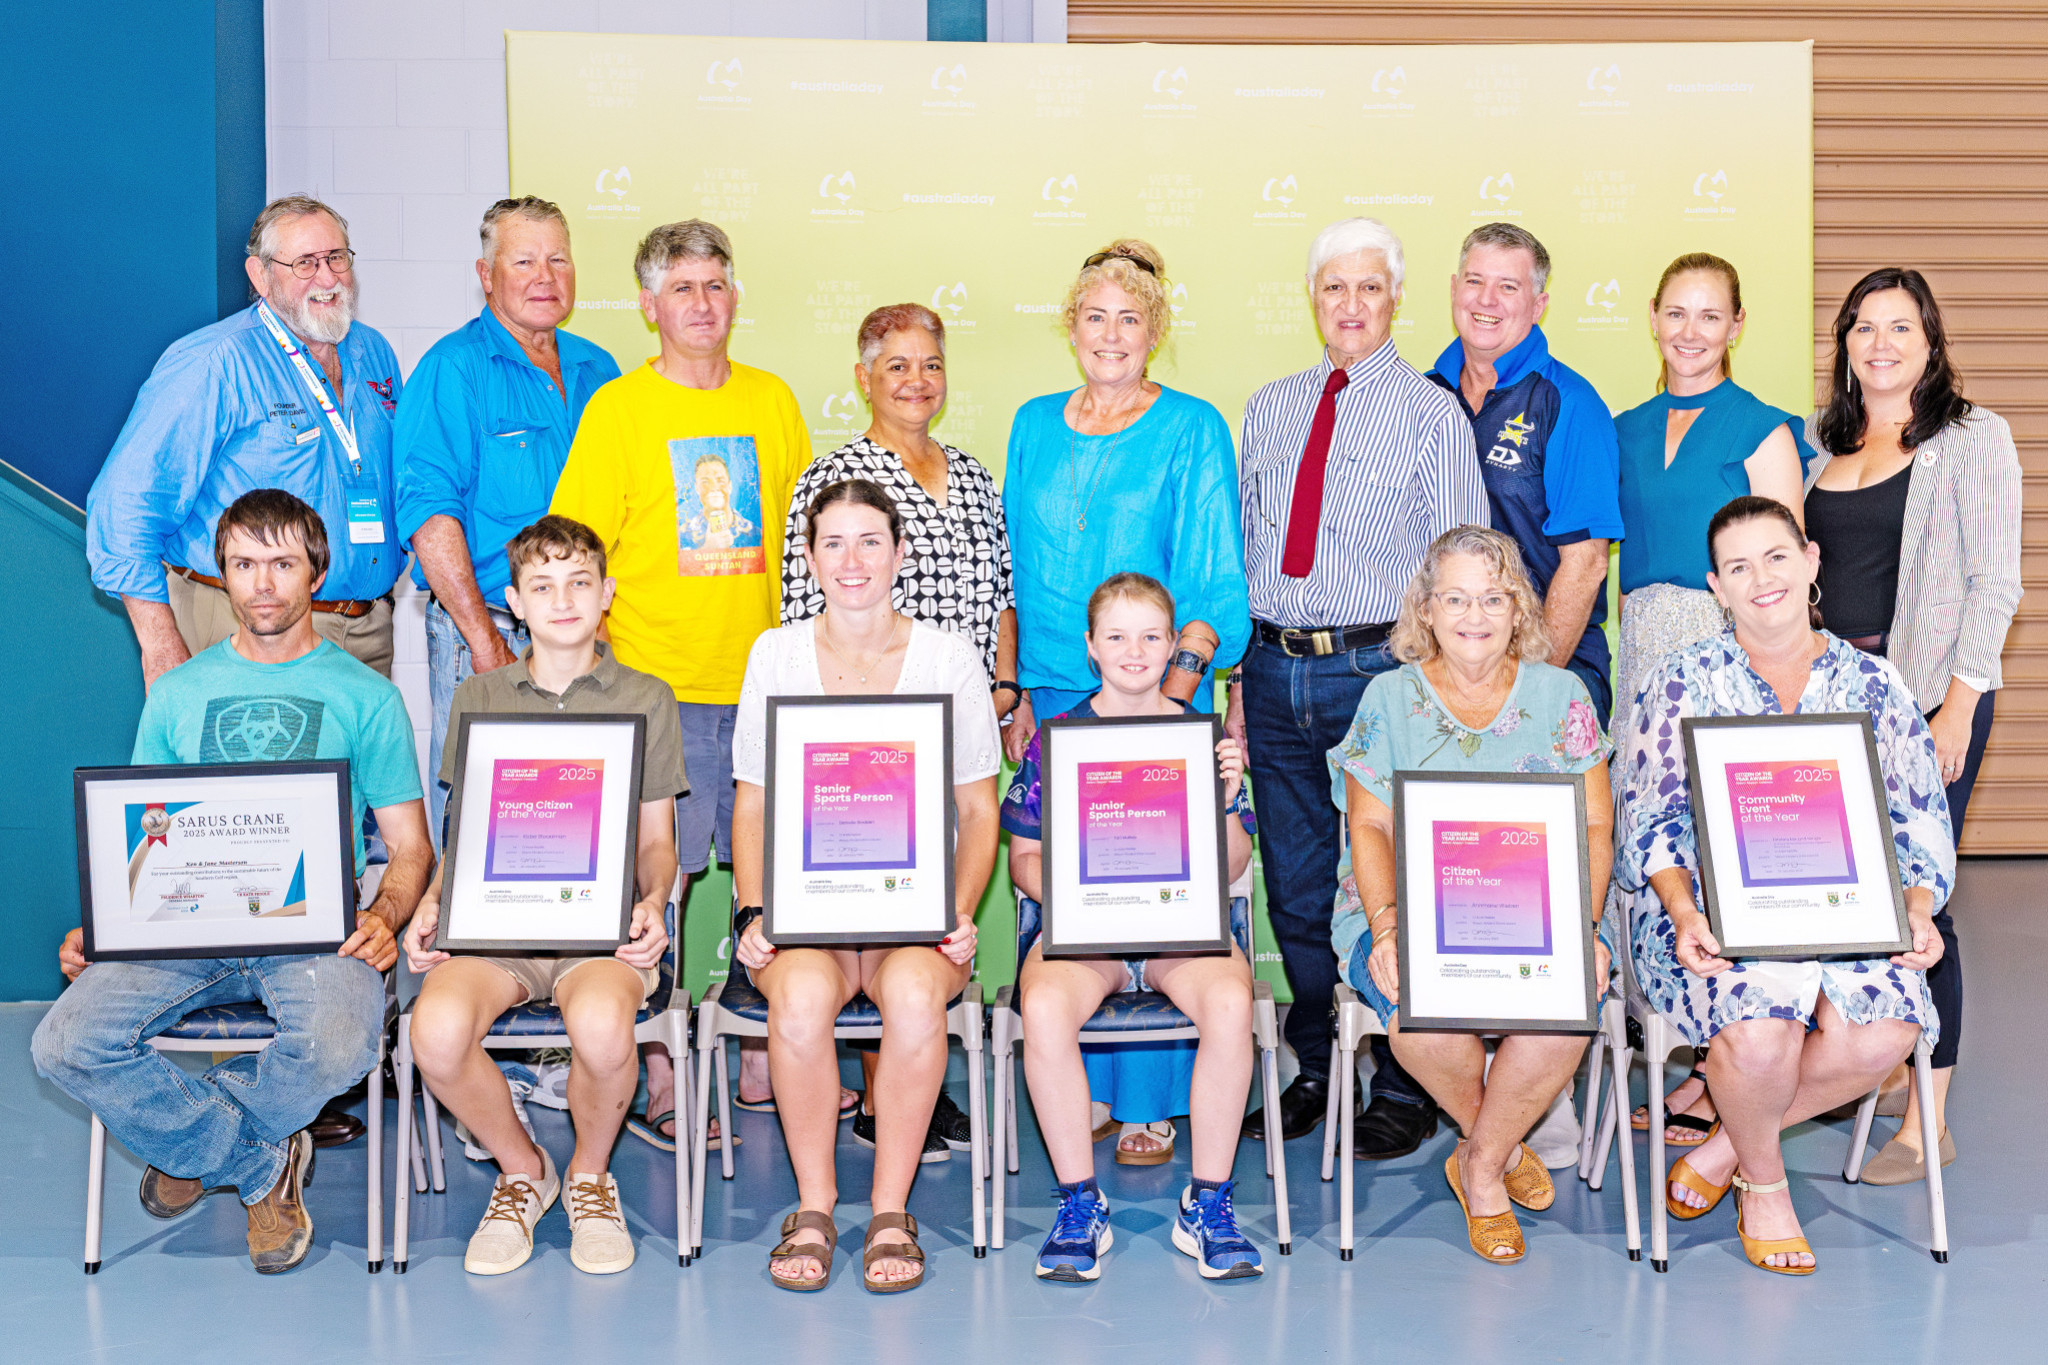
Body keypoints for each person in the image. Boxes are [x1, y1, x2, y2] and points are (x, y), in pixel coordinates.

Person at [32, 490, 432, 1274]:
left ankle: (201, 1148)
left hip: (317, 928)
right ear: (222, 575)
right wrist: (103, 921)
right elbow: (141, 833)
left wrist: (386, 910)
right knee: (66, 1042)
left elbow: (411, 845)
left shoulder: (368, 697)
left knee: (344, 1040)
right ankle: (257, 1162)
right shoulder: (178, 694)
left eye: (282, 563)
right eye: (244, 565)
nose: (263, 585)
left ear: (315, 571)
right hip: (184, 923)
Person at [1619, 495, 1950, 1275]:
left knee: (1887, 1027)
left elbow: (1917, 814)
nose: (1760, 578)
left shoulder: (1874, 682)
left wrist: (1915, 907)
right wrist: (1682, 909)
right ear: (1717, 588)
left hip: (1847, 910)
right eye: (1738, 567)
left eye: (1775, 556)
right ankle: (1765, 1187)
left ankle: (1726, 1148)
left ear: (1810, 561)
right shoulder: (1680, 682)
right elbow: (1648, 816)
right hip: (1702, 916)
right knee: (1760, 1028)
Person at [548, 219, 811, 1152]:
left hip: (767, 686)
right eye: (684, 289)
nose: (704, 305)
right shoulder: (618, 411)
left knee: (767, 876)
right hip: (657, 691)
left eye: (717, 285)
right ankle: (662, 1072)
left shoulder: (774, 402)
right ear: (650, 305)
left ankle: (753, 1057)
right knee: (663, 882)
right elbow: (575, 556)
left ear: (734, 297)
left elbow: (796, 547)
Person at [1234, 216, 1487, 1154]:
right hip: (1271, 667)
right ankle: (1315, 1061)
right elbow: (1254, 547)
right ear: (1314, 299)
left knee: (1395, 882)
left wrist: (1442, 688)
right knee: (1297, 887)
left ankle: (1407, 1077)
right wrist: (1238, 678)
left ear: (1395, 300)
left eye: (1370, 288)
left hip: (1381, 668)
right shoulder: (1268, 407)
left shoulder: (1431, 414)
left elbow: (1463, 559)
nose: (1351, 305)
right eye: (1334, 287)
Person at [1002, 239, 1251, 1163]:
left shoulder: (1191, 425)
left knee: (1158, 881)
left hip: (1158, 686)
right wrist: (1022, 690)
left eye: (1131, 319)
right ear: (1072, 329)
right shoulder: (1032, 422)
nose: (1112, 335)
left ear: (1157, 332)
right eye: (1095, 317)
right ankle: (1086, 1086)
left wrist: (1173, 711)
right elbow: (1017, 571)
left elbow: (1216, 576)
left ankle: (1152, 1100)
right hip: (1059, 696)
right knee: (1068, 893)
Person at [729, 479, 1001, 1292]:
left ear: (900, 553)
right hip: (804, 918)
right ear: (809, 559)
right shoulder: (773, 653)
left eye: (871, 541)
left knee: (918, 998)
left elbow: (978, 810)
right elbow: (753, 802)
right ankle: (815, 1205)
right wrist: (751, 909)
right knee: (802, 1000)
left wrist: (955, 910)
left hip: (913, 919)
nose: (853, 561)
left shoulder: (948, 657)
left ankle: (889, 1209)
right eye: (835, 544)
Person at [400, 516, 683, 1276]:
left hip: (603, 935)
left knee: (598, 1026)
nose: (563, 600)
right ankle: (525, 1171)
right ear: (515, 602)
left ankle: (590, 1174)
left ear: (606, 594)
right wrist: (433, 900)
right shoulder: (480, 694)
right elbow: (465, 833)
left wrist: (654, 900)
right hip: (500, 931)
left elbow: (659, 841)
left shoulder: (647, 697)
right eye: (543, 586)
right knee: (436, 1029)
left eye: (580, 583)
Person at [1327, 527, 1612, 1262]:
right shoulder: (1387, 697)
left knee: (1565, 1015)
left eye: (1492, 596)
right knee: (1421, 1019)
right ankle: (1498, 1153)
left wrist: (1581, 926)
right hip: (1404, 913)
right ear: (1425, 608)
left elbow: (1595, 822)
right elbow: (1369, 825)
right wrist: (1387, 926)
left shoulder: (1562, 694)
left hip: (1541, 917)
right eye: (1453, 597)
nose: (1473, 614)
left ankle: (1479, 1158)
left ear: (1519, 606)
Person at [782, 302, 1019, 1159]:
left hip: (962, 714)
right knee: (876, 898)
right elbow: (806, 612)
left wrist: (1003, 686)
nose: (917, 381)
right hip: (870, 752)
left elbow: (1001, 594)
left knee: (932, 905)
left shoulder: (971, 472)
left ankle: (902, 1094)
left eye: (931, 365)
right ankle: (884, 1096)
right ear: (863, 379)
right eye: (897, 367)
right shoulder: (834, 476)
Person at [1803, 268, 2022, 1184]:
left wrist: (1959, 706)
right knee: (1849, 893)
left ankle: (1927, 1116)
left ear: (1930, 344)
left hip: (1928, 701)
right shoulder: (1826, 447)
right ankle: (1883, 1062)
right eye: (1864, 327)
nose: (1880, 344)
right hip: (1836, 705)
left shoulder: (1971, 437)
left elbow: (1994, 581)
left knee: (1918, 897)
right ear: (1846, 344)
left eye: (1901, 328)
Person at [1004, 573, 1263, 1283]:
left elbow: (1234, 861)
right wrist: (1092, 895)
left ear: (1173, 645)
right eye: (1116, 636)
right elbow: (1024, 860)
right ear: (1091, 647)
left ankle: (1207, 1202)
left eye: (1152, 636)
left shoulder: (1199, 741)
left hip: (1180, 933)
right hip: (1090, 938)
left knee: (1232, 1001)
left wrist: (1227, 797)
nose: (1135, 650)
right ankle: (1080, 1203)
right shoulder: (1057, 741)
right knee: (1047, 1003)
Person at [1613, 253, 1816, 1144]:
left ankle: (1723, 1065)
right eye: (1676, 314)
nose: (1690, 331)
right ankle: (1674, 1042)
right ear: (1653, 318)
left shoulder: (1766, 429)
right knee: (1650, 841)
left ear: (1737, 326)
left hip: (1729, 661)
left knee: (1726, 847)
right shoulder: (1621, 427)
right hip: (1640, 664)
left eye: (1710, 316)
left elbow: (1781, 573)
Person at [87, 196, 405, 686]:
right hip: (246, 634)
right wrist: (159, 643)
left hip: (368, 632)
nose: (327, 278)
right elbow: (123, 504)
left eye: (336, 258)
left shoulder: (374, 353)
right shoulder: (212, 362)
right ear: (259, 275)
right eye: (304, 263)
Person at [394, 197, 622, 839]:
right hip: (492, 632)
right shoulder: (453, 369)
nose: (545, 277)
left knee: (585, 813)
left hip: (590, 633)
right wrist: (484, 643)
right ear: (486, 275)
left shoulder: (599, 369)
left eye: (558, 259)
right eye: (523, 261)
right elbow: (429, 516)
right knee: (483, 814)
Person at [1428, 223, 1623, 724]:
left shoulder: (1570, 402)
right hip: (1440, 667)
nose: (1486, 300)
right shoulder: (1422, 396)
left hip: (1548, 670)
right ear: (1453, 289)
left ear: (1538, 305)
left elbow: (1586, 565)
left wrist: (1527, 688)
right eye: (1474, 281)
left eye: (1508, 287)